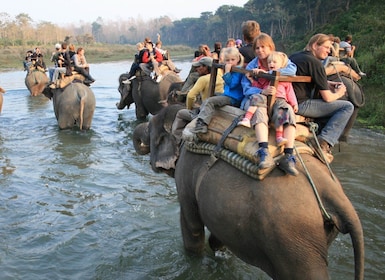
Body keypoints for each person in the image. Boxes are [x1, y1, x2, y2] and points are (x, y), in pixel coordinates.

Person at [289, 33, 354, 163]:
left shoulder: (296, 56)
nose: (329, 51)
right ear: (315, 45)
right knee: (347, 107)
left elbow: (306, 78)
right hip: (301, 104)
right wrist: (340, 92)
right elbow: (328, 98)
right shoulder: (315, 62)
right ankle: (324, 142)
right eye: (326, 47)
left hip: (289, 100)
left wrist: (327, 83)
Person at [240, 33, 297, 171]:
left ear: (271, 47)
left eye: (263, 47)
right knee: (260, 111)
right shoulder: (253, 66)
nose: (260, 50)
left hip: (278, 99)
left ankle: (288, 155)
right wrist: (261, 91)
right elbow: (246, 87)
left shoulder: (281, 59)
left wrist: (273, 73)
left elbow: (292, 71)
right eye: (257, 48)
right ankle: (264, 151)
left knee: (286, 111)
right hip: (258, 98)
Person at [191, 47, 245, 134]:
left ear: (238, 59)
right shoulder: (232, 70)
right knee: (213, 95)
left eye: (232, 60)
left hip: (233, 98)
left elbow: (232, 84)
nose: (230, 62)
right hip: (227, 94)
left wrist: (227, 72)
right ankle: (200, 112)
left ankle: (202, 124)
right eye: (227, 60)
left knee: (210, 101)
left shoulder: (238, 71)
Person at [171, 57, 223, 143]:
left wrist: (189, 108)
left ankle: (177, 140)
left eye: (199, 66)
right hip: (219, 107)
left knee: (180, 113)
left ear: (205, 68)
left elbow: (191, 96)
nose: (196, 68)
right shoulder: (220, 75)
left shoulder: (203, 79)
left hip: (207, 110)